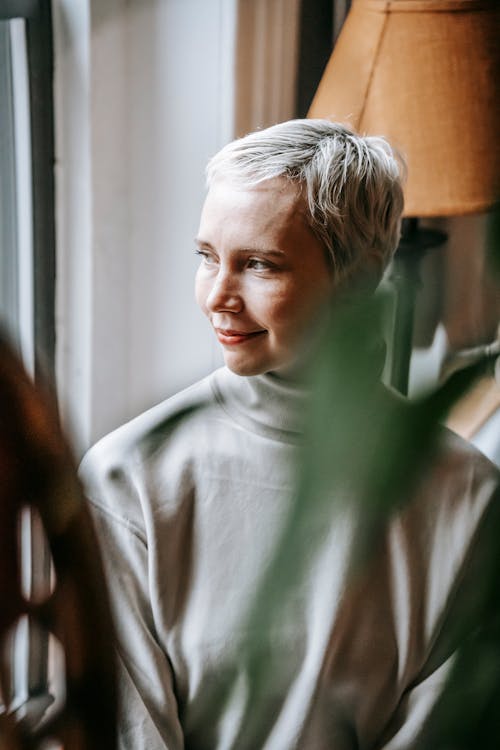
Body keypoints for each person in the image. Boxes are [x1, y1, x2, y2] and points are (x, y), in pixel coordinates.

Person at [79, 120, 500, 750]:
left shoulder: (468, 495)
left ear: (357, 279)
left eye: (258, 265)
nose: (218, 295)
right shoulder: (127, 476)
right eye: (206, 257)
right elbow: (123, 723)